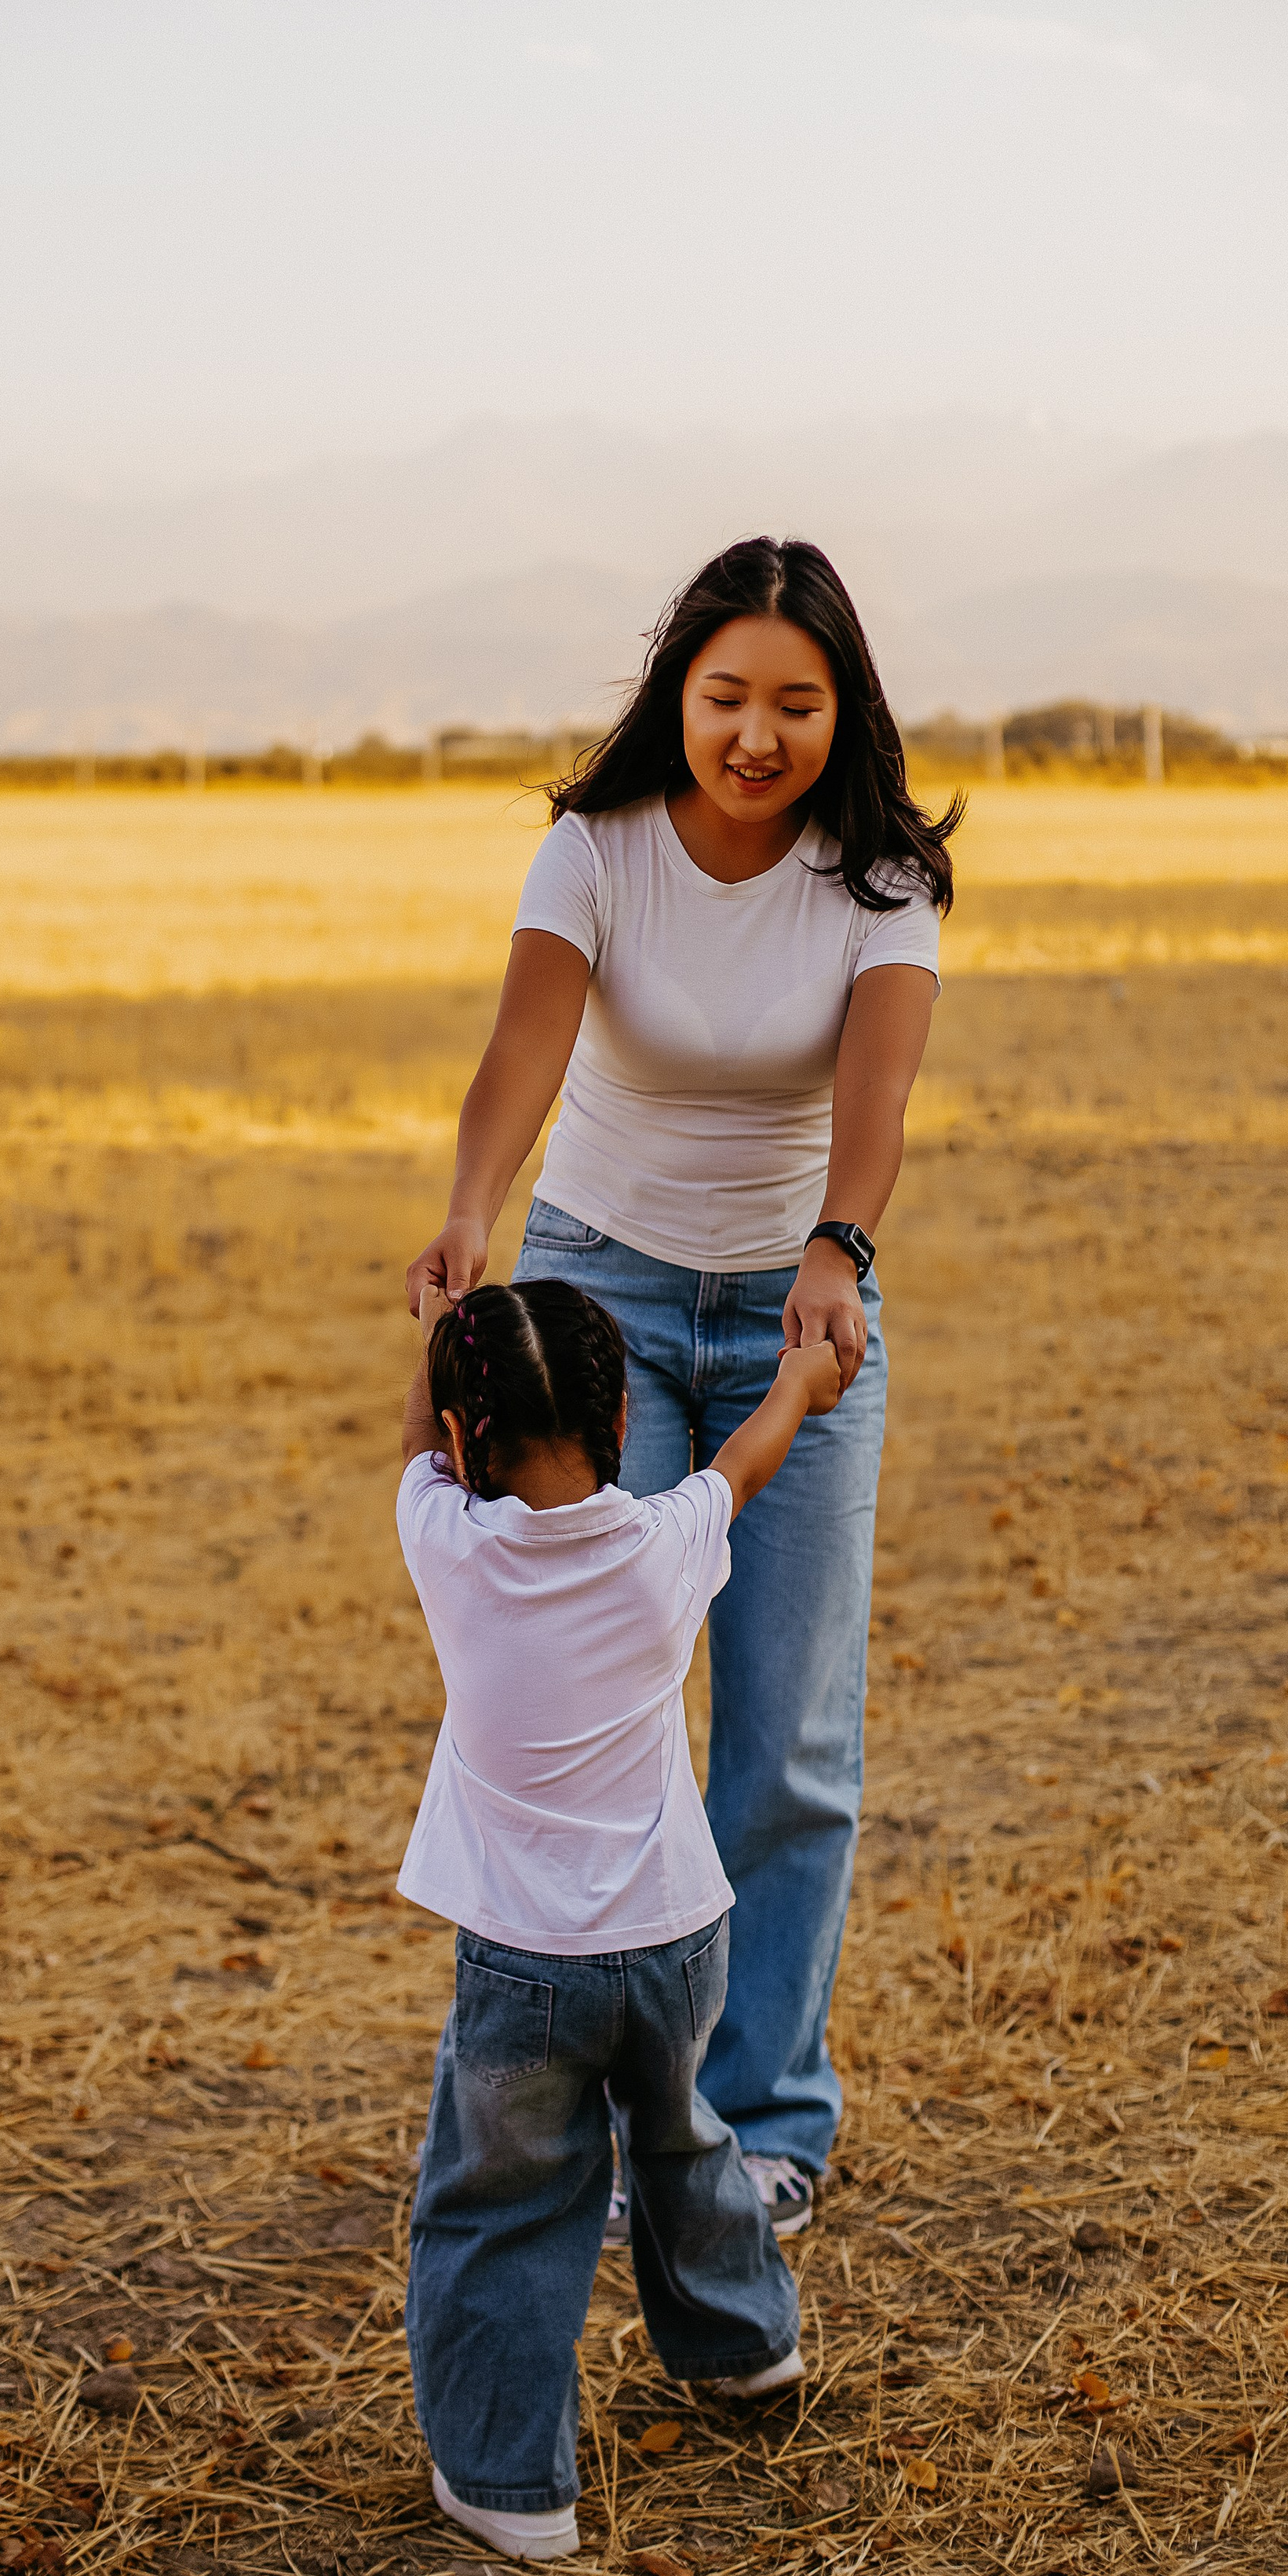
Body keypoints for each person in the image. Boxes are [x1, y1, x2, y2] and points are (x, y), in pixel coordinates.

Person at [406, 537, 955, 2242]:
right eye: (726, 697)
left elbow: (871, 1104)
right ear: (681, 696)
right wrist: (467, 1208)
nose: (755, 734)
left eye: (795, 702)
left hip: (803, 1310)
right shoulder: (597, 850)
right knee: (598, 1706)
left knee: (786, 1739)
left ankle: (760, 2120)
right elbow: (525, 1049)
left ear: (838, 710)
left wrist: (834, 1245)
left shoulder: (879, 878)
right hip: (606, 1296)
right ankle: (576, 2086)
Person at [397, 1275, 845, 2560]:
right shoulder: (663, 1544)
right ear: (625, 1411)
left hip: (525, 1970)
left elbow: (417, 1445)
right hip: (674, 1943)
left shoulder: (450, 1544)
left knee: (506, 2203)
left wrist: (437, 1322)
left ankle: (510, 2486)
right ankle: (748, 2341)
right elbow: (751, 1459)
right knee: (682, 2135)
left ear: (463, 1435)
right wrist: (801, 1383)